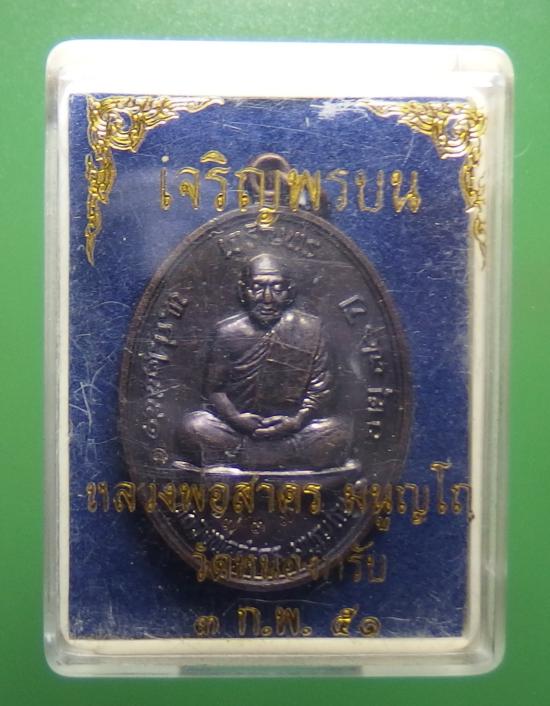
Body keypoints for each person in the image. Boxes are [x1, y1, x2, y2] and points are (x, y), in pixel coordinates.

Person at [179, 253, 351, 470]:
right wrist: (236, 419)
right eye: (257, 288)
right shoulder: (227, 332)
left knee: (339, 431)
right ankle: (283, 460)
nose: (267, 298)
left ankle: (242, 459)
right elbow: (214, 390)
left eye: (277, 288)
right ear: (243, 291)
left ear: (290, 292)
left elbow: (321, 391)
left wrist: (297, 420)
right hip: (237, 432)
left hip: (293, 432)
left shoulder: (311, 330)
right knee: (193, 426)